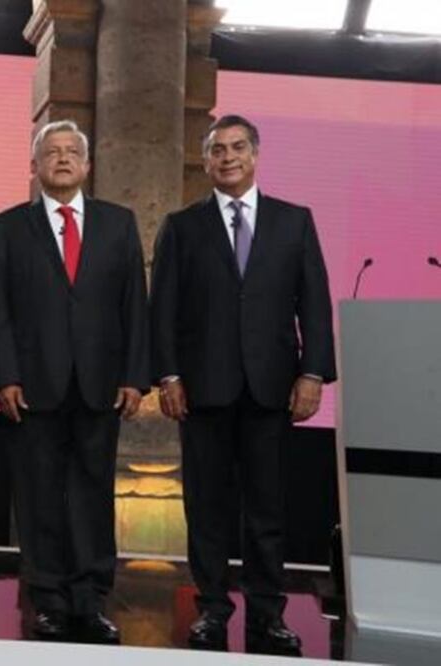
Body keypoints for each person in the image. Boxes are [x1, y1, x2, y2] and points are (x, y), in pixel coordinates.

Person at [149, 114, 336, 655]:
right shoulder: (181, 226)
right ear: (205, 161)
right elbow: (163, 309)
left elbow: (315, 306)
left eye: (236, 148)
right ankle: (210, 609)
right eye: (217, 150)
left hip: (272, 389)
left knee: (268, 509)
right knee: (205, 507)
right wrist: (169, 375)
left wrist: (313, 372)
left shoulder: (293, 222)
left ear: (255, 155)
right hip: (202, 390)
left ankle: (267, 612)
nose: (227, 157)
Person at [0, 120, 148, 644]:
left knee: (93, 494)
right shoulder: (10, 226)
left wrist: (134, 376)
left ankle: (90, 598)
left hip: (101, 384)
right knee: (38, 497)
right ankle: (49, 600)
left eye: (71, 152)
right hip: (33, 385)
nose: (61, 159)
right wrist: (5, 376)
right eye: (51, 153)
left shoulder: (119, 223)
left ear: (87, 165)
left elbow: (134, 307)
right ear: (34, 166)